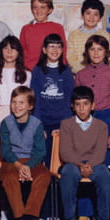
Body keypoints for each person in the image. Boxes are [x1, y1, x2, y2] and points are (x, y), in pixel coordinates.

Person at [74, 34, 110, 220]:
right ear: (87, 52)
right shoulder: (81, 75)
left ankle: (102, 214)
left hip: (106, 120)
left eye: (100, 49)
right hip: (84, 121)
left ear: (106, 53)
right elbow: (75, 103)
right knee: (84, 165)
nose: (96, 53)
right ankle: (84, 213)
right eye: (92, 49)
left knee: (101, 168)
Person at [0, 35, 30, 220]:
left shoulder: (27, 75)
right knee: (0, 166)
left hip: (21, 119)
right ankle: (3, 209)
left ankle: (20, 210)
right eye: (6, 48)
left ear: (19, 52)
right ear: (1, 51)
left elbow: (30, 102)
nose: (9, 52)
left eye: (13, 48)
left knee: (19, 163)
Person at [58, 86, 110, 220]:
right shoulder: (66, 124)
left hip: (95, 164)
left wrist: (89, 166)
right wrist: (80, 165)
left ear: (93, 105)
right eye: (78, 104)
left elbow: (100, 152)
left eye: (85, 104)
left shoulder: (101, 126)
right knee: (67, 173)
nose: (82, 108)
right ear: (72, 106)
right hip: (73, 164)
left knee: (105, 177)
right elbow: (65, 152)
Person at [0, 86, 51, 220]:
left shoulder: (37, 124)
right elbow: (6, 150)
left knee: (44, 175)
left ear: (30, 106)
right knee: (9, 177)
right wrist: (19, 166)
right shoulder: (6, 123)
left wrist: (28, 165)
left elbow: (40, 151)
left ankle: (29, 218)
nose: (17, 106)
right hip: (12, 162)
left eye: (21, 103)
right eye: (14, 102)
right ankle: (21, 218)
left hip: (31, 162)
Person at [30, 33, 74, 164]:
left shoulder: (66, 71)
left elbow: (69, 101)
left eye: (59, 47)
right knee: (40, 157)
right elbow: (35, 100)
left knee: (56, 160)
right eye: (51, 46)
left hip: (60, 122)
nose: (55, 50)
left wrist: (65, 126)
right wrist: (38, 126)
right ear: (44, 50)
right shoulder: (37, 71)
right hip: (43, 121)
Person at [20, 0, 67, 71]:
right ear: (31, 10)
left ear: (50, 10)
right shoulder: (26, 29)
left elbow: (63, 51)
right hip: (30, 70)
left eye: (42, 7)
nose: (38, 11)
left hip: (52, 70)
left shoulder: (58, 28)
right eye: (35, 7)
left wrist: (62, 70)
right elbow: (21, 52)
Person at [66, 0, 110, 74]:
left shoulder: (104, 35)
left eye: (95, 14)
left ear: (100, 18)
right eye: (88, 13)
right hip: (79, 74)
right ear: (82, 15)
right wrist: (85, 72)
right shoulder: (73, 35)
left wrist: (95, 72)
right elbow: (70, 58)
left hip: (99, 74)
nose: (91, 17)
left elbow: (108, 56)